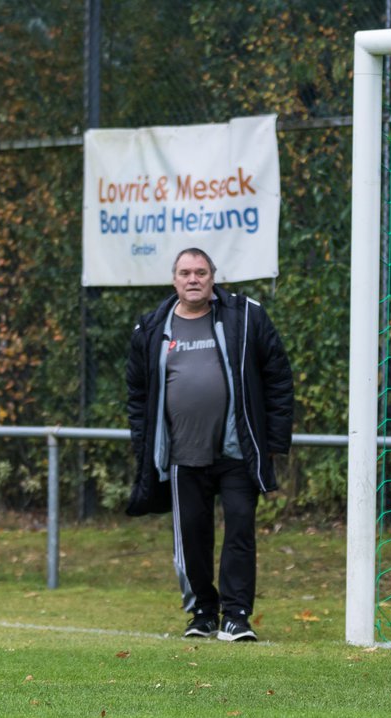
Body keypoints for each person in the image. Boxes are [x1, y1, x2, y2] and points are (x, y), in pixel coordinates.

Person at [125, 247, 294, 643]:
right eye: (185, 272)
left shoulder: (246, 317)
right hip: (183, 455)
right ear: (174, 280)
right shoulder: (151, 328)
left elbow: (278, 375)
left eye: (201, 272)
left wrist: (273, 442)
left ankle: (236, 616)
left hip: (238, 452)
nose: (193, 279)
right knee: (193, 536)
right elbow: (137, 394)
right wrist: (143, 445)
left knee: (239, 529)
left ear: (213, 278)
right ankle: (204, 612)